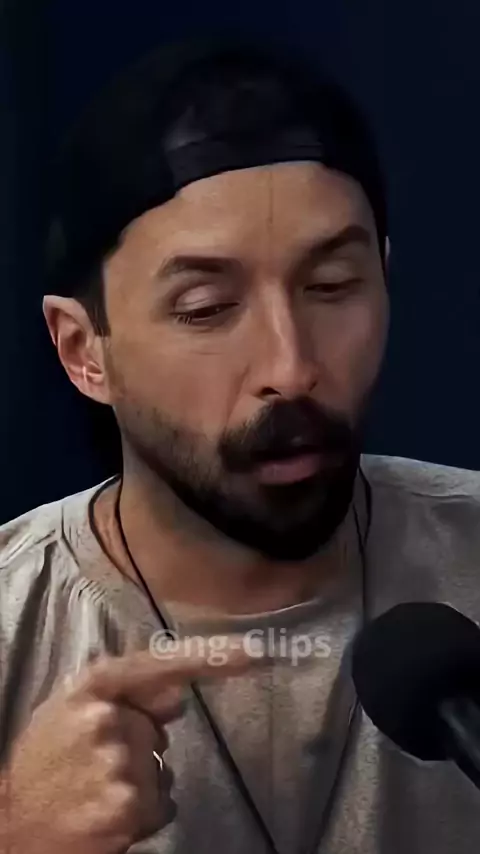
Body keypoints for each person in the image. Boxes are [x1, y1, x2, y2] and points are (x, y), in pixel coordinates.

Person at [1, 33, 480, 854]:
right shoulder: (16, 627)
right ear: (84, 351)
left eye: (332, 286)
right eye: (206, 309)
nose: (291, 368)